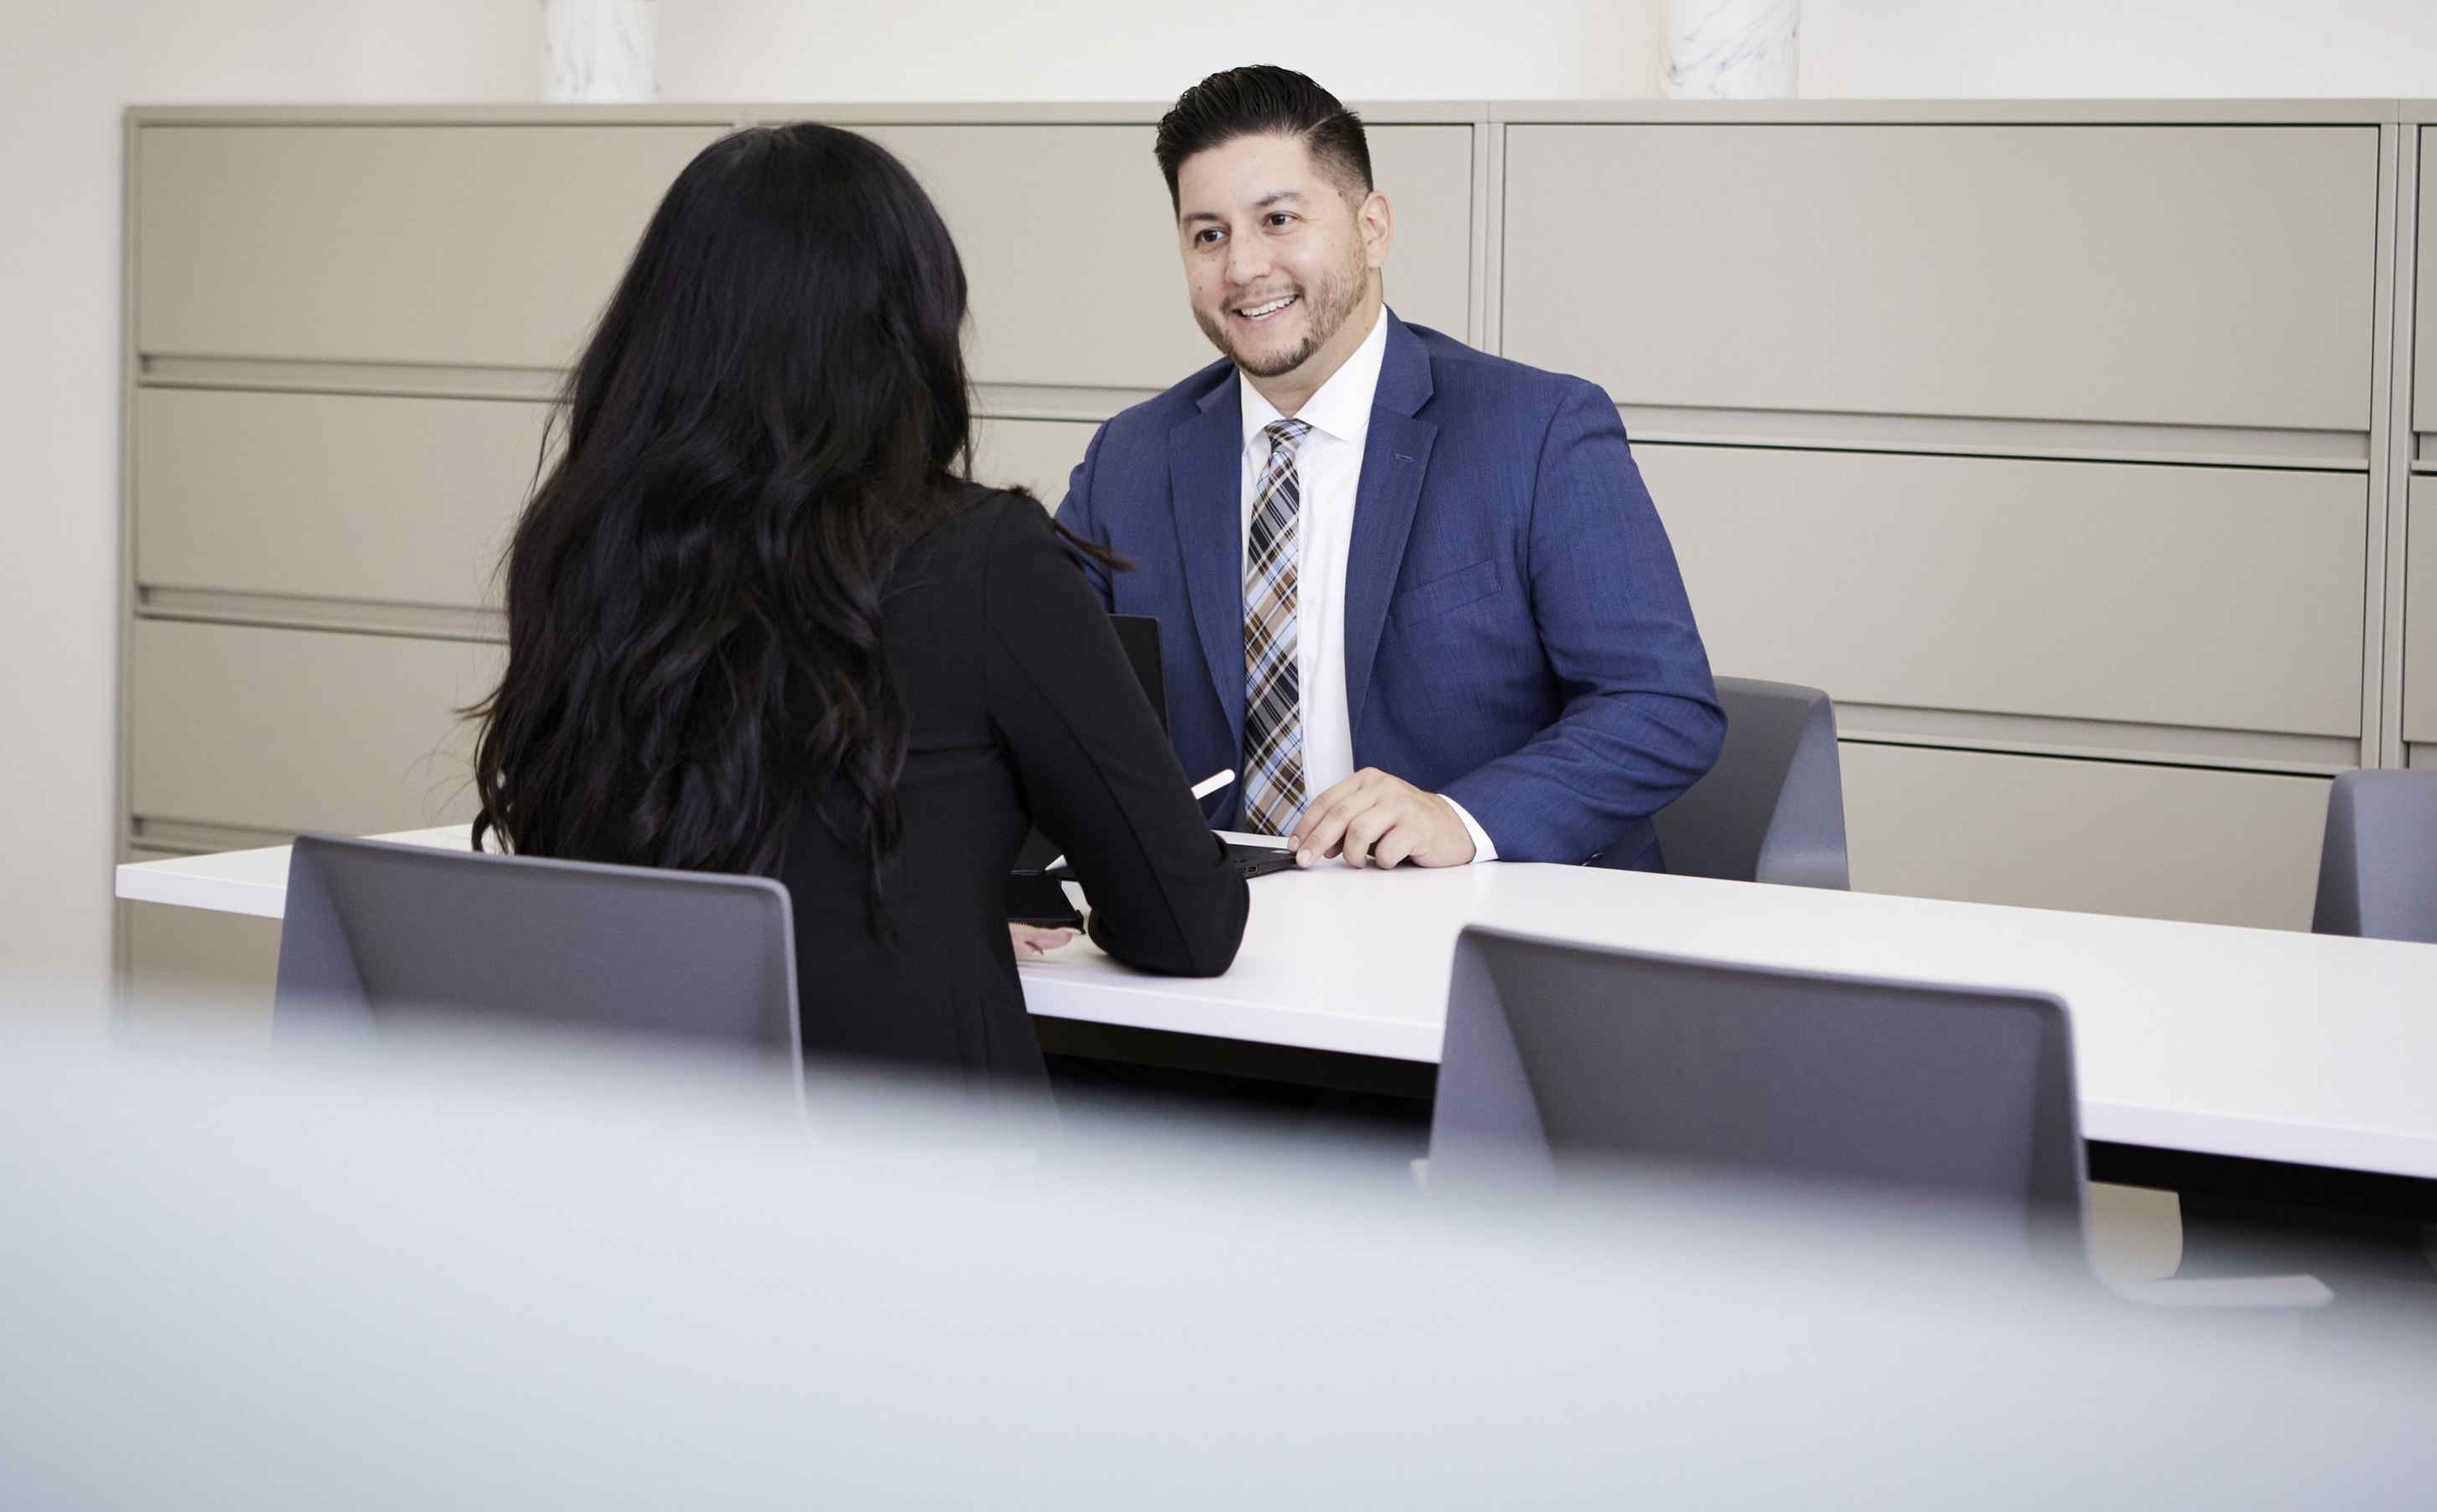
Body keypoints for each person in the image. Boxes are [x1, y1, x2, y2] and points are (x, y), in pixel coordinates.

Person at [470, 123, 1246, 1089]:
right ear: (903, 331)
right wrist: (935, 929)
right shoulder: (982, 557)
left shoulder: (582, 546)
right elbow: (1186, 922)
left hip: (638, 1161)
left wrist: (919, 910)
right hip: (911, 1189)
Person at [1058, 66, 1725, 874]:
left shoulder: (1537, 431)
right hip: (1221, 933)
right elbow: (1033, 694)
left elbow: (1661, 706)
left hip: (1476, 931)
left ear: (1373, 228)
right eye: (1209, 235)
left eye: (1277, 219)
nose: (1241, 268)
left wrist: (1460, 815)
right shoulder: (1130, 458)